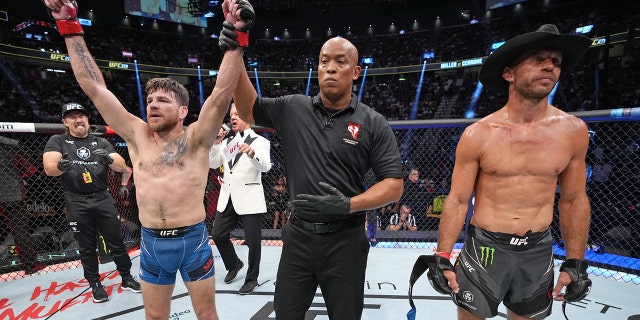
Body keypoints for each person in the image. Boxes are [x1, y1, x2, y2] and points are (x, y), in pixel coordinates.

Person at [42, 0, 253, 318]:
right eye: (150, 99)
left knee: (207, 315)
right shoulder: (137, 135)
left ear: (183, 111)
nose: (152, 104)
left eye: (163, 100)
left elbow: (222, 92)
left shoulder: (195, 138)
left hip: (193, 241)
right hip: (152, 241)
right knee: (155, 317)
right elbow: (94, 88)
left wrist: (238, 36)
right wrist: (69, 26)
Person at [223, 18, 404, 318]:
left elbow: (394, 186)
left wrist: (348, 205)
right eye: (324, 61)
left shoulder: (373, 122)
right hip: (298, 237)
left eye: (340, 62)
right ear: (317, 69)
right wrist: (237, 50)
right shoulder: (293, 107)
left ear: (356, 72)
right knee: (287, 315)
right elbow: (247, 108)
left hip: (346, 241)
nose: (330, 68)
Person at [430, 24, 593, 319]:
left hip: (537, 249)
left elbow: (574, 199)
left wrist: (576, 261)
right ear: (509, 73)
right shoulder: (478, 134)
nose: (549, 66)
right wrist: (442, 254)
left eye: (556, 62)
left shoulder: (573, 132)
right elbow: (457, 199)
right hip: (485, 248)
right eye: (537, 58)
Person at [42, 103, 139, 302]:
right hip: (76, 200)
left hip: (102, 198)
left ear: (87, 119)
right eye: (72, 117)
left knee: (117, 242)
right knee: (86, 247)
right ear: (65, 122)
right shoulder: (58, 140)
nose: (78, 120)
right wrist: (61, 166)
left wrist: (109, 160)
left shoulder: (100, 142)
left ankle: (127, 277)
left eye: (81, 116)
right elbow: (49, 169)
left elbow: (122, 167)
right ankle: (95, 284)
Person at [208, 103, 272, 294]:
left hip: (250, 198)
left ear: (248, 118)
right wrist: (216, 143)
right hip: (228, 196)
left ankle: (252, 278)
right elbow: (213, 163)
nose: (233, 117)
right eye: (231, 114)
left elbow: (266, 167)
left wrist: (252, 154)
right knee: (218, 234)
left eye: (237, 113)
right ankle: (234, 264)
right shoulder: (228, 142)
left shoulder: (261, 142)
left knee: (253, 243)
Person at [0, 136, 40, 274]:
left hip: (11, 192)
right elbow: (30, 169)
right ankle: (31, 266)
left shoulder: (12, 144)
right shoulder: (10, 145)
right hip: (11, 192)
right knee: (20, 230)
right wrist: (13, 175)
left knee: (20, 230)